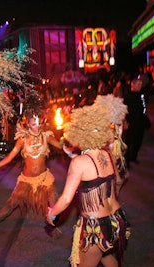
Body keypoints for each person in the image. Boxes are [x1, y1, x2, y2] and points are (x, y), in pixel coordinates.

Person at [46, 103, 131, 267]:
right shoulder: (108, 155)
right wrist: (72, 155)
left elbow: (65, 199)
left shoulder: (79, 163)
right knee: (106, 257)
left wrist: (51, 214)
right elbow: (97, 173)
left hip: (96, 227)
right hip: (116, 220)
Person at [0, 107, 63, 232]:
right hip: (26, 181)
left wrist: (66, 136)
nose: (38, 126)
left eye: (39, 122)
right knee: (10, 206)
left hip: (45, 178)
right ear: (28, 125)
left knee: (55, 204)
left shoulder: (47, 136)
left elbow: (61, 146)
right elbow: (8, 159)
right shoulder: (22, 140)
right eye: (34, 124)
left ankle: (52, 226)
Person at [123, 76, 147, 168]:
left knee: (138, 141)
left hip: (140, 122)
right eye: (138, 84)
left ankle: (134, 157)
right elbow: (123, 110)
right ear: (132, 84)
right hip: (130, 123)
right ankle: (127, 160)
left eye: (141, 84)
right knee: (128, 143)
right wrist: (125, 121)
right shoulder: (127, 95)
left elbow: (144, 107)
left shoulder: (141, 94)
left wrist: (145, 119)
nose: (140, 86)